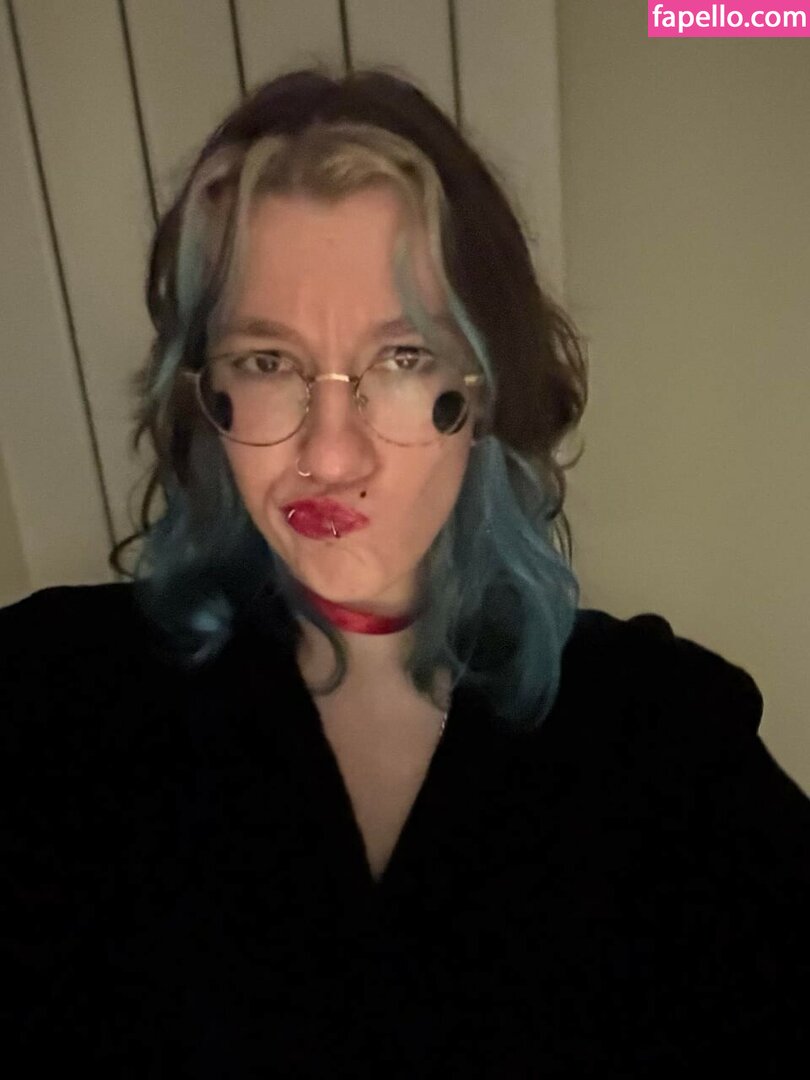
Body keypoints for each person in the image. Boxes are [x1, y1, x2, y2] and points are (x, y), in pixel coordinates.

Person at [1, 66, 808, 1079]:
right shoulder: (52, 693)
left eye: (402, 359)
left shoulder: (662, 738)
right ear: (206, 390)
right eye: (267, 361)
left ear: (487, 388)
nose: (330, 454)